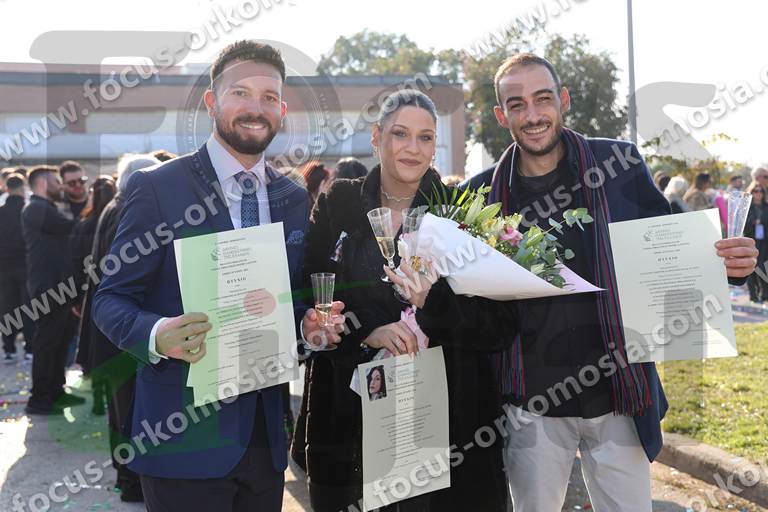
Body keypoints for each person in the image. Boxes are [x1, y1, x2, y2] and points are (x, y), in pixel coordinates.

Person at [469, 53, 757, 511]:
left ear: (563, 100)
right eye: (517, 104)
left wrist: (728, 266)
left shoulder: (618, 163)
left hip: (619, 392)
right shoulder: (481, 195)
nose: (533, 115)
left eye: (543, 99)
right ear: (502, 115)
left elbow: (671, 250)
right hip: (530, 405)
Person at [92, 40, 326, 512]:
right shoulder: (158, 187)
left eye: (268, 97)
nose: (255, 108)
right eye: (240, 93)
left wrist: (307, 325)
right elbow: (110, 299)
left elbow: (288, 297)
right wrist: (158, 334)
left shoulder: (293, 196)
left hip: (263, 439)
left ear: (281, 110)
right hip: (182, 438)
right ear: (212, 101)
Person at [296, 89, 516, 512]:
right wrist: (367, 330)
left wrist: (433, 304)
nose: (413, 148)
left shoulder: (462, 211)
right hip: (351, 419)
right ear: (376, 137)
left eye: (425, 137)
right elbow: (312, 288)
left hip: (448, 424)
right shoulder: (339, 202)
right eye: (400, 134)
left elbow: (498, 325)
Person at [82, 153, 160, 502]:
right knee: (128, 411)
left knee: (123, 409)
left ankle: (127, 478)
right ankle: (130, 481)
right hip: (122, 331)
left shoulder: (116, 205)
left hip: (113, 331)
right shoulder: (127, 212)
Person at [21, 166, 82, 415]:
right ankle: (40, 398)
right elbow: (74, 227)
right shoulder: (36, 209)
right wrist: (85, 204)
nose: (61, 187)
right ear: (44, 184)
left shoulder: (45, 208)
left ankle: (56, 392)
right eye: (57, 182)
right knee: (47, 343)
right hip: (48, 287)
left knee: (60, 341)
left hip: (58, 285)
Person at [70, 176, 116, 377]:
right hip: (111, 289)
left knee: (93, 341)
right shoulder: (117, 218)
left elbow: (75, 261)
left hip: (89, 289)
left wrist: (76, 297)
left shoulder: (85, 224)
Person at [0, 174, 35, 362]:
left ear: (7, 188)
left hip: (4, 266)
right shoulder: (28, 210)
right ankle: (30, 349)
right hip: (25, 264)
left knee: (7, 307)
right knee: (28, 307)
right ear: (23, 188)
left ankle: (9, 348)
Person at [744, 182, 768, 302]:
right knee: (751, 267)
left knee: (762, 267)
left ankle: (764, 293)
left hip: (764, 242)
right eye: (755, 191)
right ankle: (753, 294)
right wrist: (754, 222)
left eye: (760, 191)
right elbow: (744, 224)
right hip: (751, 241)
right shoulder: (747, 207)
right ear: (752, 193)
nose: (758, 193)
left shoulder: (766, 206)